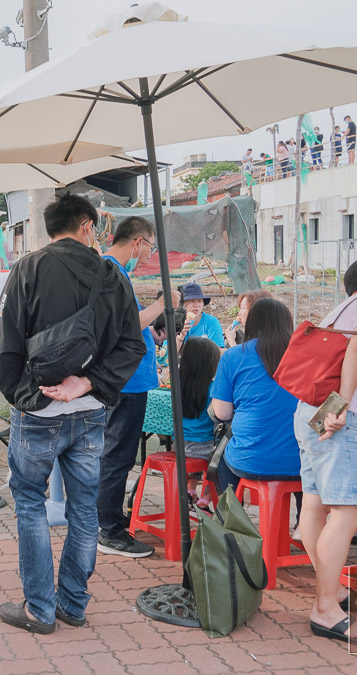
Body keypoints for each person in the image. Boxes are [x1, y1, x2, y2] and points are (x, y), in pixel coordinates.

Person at [0, 194, 145, 633]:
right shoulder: (111, 275)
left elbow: (5, 349)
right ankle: (73, 605)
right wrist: (87, 383)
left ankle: (39, 609)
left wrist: (26, 397)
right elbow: (132, 345)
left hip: (38, 412)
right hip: (91, 412)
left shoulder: (28, 268)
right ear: (87, 226)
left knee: (30, 503)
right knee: (84, 508)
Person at [294, 254, 357, 645]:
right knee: (349, 514)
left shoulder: (342, 307)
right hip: (335, 414)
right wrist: (343, 406)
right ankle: (325, 609)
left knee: (315, 506)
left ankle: (329, 592)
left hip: (309, 410)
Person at [96, 216, 173, 558]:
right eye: (150, 249)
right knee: (118, 455)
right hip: (126, 383)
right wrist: (162, 305)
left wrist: (151, 331)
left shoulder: (115, 273)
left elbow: (129, 322)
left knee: (116, 453)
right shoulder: (112, 271)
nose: (148, 257)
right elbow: (125, 322)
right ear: (138, 242)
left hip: (128, 380)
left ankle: (109, 520)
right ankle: (110, 530)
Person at [210, 297, 300, 492]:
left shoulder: (233, 356)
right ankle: (303, 512)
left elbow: (222, 413)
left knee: (221, 460)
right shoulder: (305, 356)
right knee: (307, 484)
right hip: (301, 459)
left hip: (249, 458)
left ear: (252, 322)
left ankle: (233, 511)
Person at [180, 337, 221, 506]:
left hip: (180, 446)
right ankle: (206, 497)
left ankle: (190, 490)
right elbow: (219, 415)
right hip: (205, 447)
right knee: (222, 460)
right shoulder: (214, 388)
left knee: (197, 459)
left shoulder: (178, 386)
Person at [178, 283, 224, 348]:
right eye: (192, 301)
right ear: (182, 304)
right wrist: (181, 336)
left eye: (200, 301)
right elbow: (167, 352)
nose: (196, 305)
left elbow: (217, 351)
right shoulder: (175, 323)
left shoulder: (211, 322)